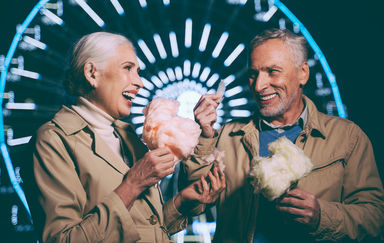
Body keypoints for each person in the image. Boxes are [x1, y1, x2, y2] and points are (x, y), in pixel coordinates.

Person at [182, 28, 384, 242]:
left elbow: (376, 219)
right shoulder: (227, 137)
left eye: (273, 71)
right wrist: (204, 135)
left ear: (302, 73)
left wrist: (321, 216)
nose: (259, 86)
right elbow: (191, 204)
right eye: (253, 74)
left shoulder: (347, 137)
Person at [22, 32, 225, 243]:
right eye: (128, 68)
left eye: (138, 71)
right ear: (92, 73)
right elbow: (63, 240)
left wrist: (181, 203)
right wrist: (132, 185)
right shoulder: (53, 141)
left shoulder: (126, 135)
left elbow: (140, 228)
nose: (140, 82)